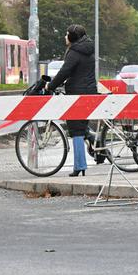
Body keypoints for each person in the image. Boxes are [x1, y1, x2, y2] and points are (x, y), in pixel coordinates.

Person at [47, 24, 96, 175]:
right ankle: (94, 139)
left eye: (66, 34)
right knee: (81, 126)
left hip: (76, 94)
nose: (65, 37)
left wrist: (51, 85)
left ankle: (80, 166)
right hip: (89, 92)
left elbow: (65, 71)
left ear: (72, 37)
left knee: (76, 130)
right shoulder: (88, 49)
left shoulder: (74, 52)